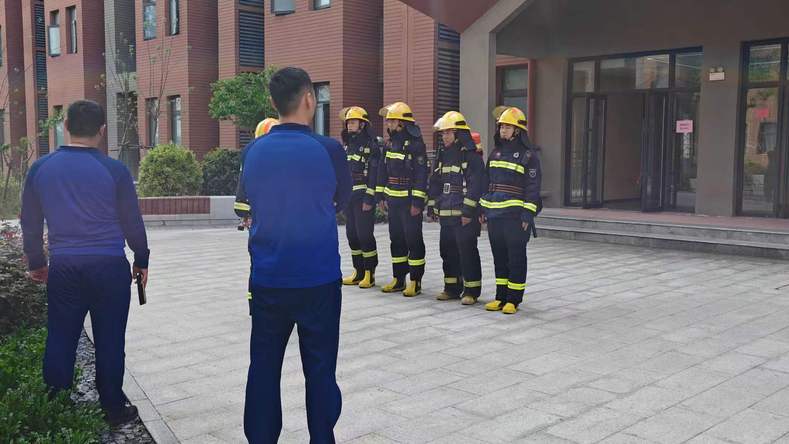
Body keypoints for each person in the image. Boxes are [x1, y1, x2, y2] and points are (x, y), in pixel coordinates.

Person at [20, 100, 149, 425]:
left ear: (65, 126)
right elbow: (132, 222)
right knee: (110, 340)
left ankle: (56, 406)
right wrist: (141, 259)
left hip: (65, 267)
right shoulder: (115, 171)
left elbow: (30, 222)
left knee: (61, 336)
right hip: (109, 267)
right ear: (102, 130)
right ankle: (113, 409)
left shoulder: (41, 169)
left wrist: (36, 261)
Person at [241, 67, 351, 444]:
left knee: (263, 367)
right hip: (318, 278)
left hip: (268, 278)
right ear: (309, 99)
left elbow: (250, 200)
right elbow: (342, 199)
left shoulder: (253, 151)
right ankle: (321, 437)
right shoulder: (329, 150)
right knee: (320, 369)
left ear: (274, 103)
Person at [480, 106, 542, 315]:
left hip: (515, 216)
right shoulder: (495, 153)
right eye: (501, 127)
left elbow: (533, 188)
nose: (502, 130)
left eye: (507, 127)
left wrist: (528, 214)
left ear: (517, 130)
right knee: (499, 257)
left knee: (516, 257)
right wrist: (482, 209)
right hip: (494, 214)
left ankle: (513, 300)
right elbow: (486, 182)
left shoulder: (529, 156)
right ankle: (500, 297)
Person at [427, 111, 486, 306]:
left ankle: (471, 290)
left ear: (458, 133)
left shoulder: (471, 156)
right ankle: (451, 288)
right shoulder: (442, 155)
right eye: (442, 133)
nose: (444, 137)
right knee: (447, 251)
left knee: (467, 252)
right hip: (446, 214)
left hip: (464, 216)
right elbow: (435, 182)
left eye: (448, 133)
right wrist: (432, 206)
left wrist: (468, 212)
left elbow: (476, 185)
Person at [376, 102, 428, 297]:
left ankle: (415, 280)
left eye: (392, 120)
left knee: (413, 239)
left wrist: (417, 202)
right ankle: (398, 279)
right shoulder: (389, 144)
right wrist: (381, 196)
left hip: (409, 201)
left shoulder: (416, 145)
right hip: (393, 199)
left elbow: (421, 175)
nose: (388, 123)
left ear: (402, 123)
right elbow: (382, 170)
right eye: (388, 120)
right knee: (396, 239)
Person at [235, 117, 280, 314]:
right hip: (268, 219)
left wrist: (244, 213)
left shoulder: (253, 154)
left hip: (262, 218)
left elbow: (242, 188)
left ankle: (259, 306)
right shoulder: (269, 157)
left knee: (260, 262)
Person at [340, 106, 381, 289]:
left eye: (353, 122)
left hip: (363, 197)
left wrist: (369, 198)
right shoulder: (348, 145)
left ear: (363, 124)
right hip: (349, 196)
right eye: (348, 122)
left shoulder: (372, 146)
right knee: (352, 235)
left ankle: (369, 273)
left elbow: (374, 175)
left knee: (365, 235)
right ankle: (358, 271)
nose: (349, 125)